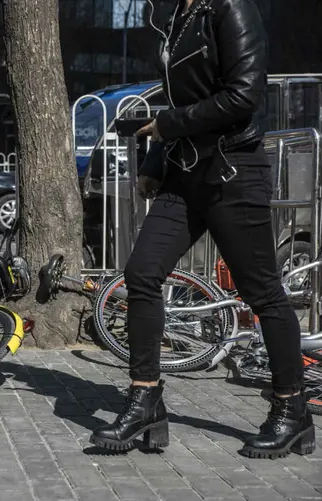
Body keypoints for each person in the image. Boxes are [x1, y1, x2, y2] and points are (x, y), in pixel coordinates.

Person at [90, 0, 315, 459]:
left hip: (233, 171)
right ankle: (145, 398)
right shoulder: (178, 17)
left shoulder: (231, 9)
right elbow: (178, 98)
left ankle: (292, 410)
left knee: (263, 293)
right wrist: (155, 160)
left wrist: (167, 126)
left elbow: (243, 95)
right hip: (184, 174)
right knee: (142, 273)